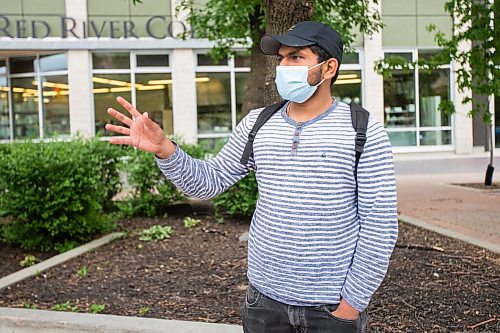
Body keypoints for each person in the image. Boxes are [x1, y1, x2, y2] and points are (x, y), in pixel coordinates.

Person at [106, 21, 398, 333]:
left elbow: (380, 226)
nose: (284, 67)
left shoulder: (363, 131)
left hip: (331, 310)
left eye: (296, 58)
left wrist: (351, 304)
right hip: (264, 305)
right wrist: (165, 149)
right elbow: (209, 181)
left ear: (328, 68)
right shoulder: (258, 124)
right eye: (282, 58)